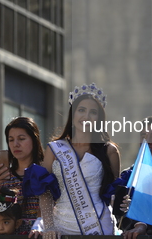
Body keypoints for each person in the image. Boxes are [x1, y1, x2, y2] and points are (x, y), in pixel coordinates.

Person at [36, 83, 120, 237]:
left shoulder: (109, 151)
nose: (86, 116)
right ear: (72, 113)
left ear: (99, 118)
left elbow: (115, 194)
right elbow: (45, 192)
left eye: (93, 112)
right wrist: (48, 226)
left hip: (98, 227)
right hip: (60, 228)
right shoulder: (54, 149)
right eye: (81, 110)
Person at [0, 116, 45, 234]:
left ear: (34, 140)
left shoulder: (45, 171)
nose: (15, 144)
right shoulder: (3, 175)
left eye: (21, 138)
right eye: (11, 140)